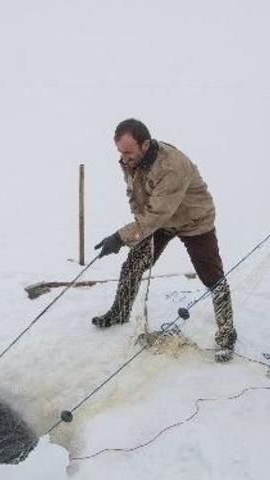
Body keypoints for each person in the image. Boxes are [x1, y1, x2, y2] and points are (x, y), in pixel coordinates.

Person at [92, 119, 236, 363]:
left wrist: (120, 237)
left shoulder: (171, 166)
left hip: (194, 219)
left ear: (145, 145)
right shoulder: (131, 161)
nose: (124, 158)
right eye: (120, 152)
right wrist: (135, 228)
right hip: (159, 219)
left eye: (128, 152)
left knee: (211, 275)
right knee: (134, 263)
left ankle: (227, 333)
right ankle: (119, 312)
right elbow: (135, 195)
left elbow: (156, 215)